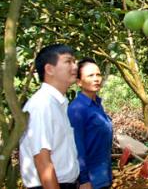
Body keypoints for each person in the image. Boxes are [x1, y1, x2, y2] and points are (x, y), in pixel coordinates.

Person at [19, 44, 79, 189]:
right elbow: (42, 161)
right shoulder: (42, 104)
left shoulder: (57, 103)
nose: (75, 66)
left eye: (74, 61)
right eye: (68, 61)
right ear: (49, 69)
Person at [68, 58, 113, 189]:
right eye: (90, 75)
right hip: (90, 180)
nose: (96, 79)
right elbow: (77, 146)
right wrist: (83, 180)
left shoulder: (97, 105)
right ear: (79, 82)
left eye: (98, 74)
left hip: (103, 175)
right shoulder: (77, 109)